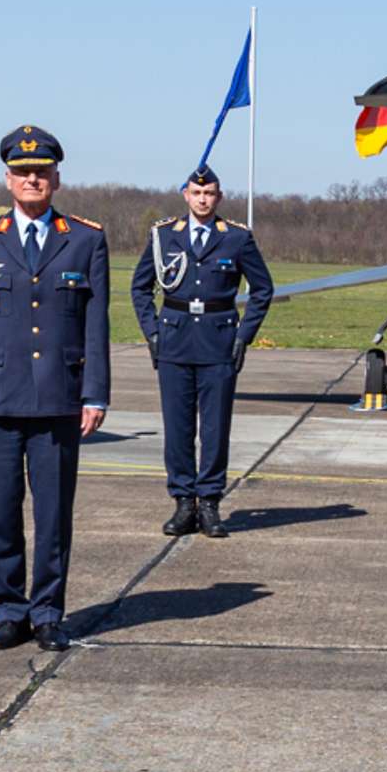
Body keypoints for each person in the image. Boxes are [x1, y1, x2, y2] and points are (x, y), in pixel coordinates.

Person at [0, 125, 109, 651]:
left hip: (60, 397)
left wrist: (95, 393)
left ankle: (48, 613)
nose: (32, 180)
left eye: (41, 172)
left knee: (54, 514)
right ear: (8, 179)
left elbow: (95, 323)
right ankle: (8, 611)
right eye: (22, 173)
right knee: (1, 510)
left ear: (56, 178)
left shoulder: (84, 239)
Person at [129, 163, 272, 539]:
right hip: (173, 341)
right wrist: (152, 331)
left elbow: (263, 288)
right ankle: (182, 502)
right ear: (186, 195)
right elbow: (140, 287)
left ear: (219, 197)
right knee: (177, 428)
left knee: (214, 428)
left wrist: (244, 335)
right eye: (196, 192)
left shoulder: (236, 238)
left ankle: (209, 503)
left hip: (218, 341)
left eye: (209, 193)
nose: (203, 199)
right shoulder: (163, 235)